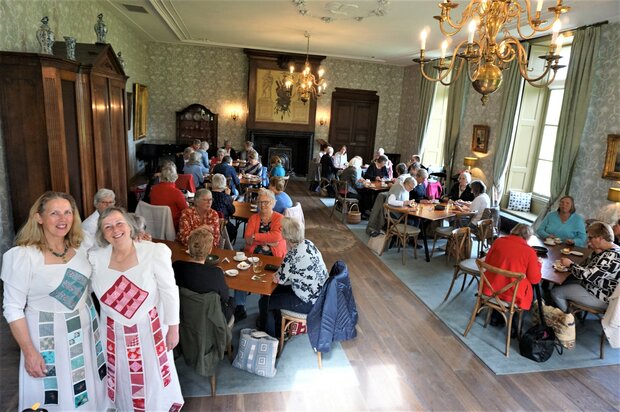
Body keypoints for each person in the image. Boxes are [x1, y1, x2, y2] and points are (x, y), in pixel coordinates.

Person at [1, 192, 108, 411]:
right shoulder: (23, 256)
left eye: (68, 212)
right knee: (55, 396)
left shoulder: (83, 246)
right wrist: (29, 352)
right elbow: (12, 309)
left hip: (86, 336)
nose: (63, 219)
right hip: (48, 339)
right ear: (39, 218)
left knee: (87, 393)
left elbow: (112, 258)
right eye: (54, 213)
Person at [89, 207, 184, 411]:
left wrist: (174, 328)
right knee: (123, 381)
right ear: (102, 233)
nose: (115, 230)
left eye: (119, 223)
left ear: (130, 226)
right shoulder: (95, 259)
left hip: (150, 332)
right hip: (114, 337)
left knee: (152, 382)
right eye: (108, 227)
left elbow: (169, 291)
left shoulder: (154, 252)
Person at [258, 217, 328, 337]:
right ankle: (278, 325)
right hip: (321, 295)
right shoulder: (308, 243)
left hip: (309, 303)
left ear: (285, 236)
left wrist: (278, 272)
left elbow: (278, 279)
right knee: (272, 293)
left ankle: (271, 337)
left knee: (265, 302)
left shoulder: (291, 256)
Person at [234, 189, 286, 320]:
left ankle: (266, 309)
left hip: (274, 257)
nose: (263, 205)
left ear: (273, 203)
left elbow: (277, 237)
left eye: (266, 202)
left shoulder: (280, 218)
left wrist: (256, 236)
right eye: (260, 202)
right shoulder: (254, 218)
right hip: (253, 254)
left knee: (268, 281)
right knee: (241, 274)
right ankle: (240, 307)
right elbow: (247, 238)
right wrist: (268, 241)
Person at [552, 221, 620, 312]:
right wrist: (595, 251)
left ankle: (569, 322)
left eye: (590, 237)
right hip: (597, 288)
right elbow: (590, 267)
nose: (588, 240)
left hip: (600, 296)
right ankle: (569, 311)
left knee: (556, 292)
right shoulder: (614, 249)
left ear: (599, 238)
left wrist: (570, 264)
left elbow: (589, 276)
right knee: (566, 282)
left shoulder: (609, 257)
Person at [173, 227, 234, 321]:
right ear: (209, 251)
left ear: (189, 248)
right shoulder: (216, 273)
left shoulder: (176, 266)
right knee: (232, 301)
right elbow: (225, 298)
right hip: (211, 318)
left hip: (183, 314)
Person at [483, 223, 542, 314]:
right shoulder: (530, 252)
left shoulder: (498, 241)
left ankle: (495, 315)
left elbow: (487, 262)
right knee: (528, 284)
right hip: (512, 296)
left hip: (490, 288)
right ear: (528, 237)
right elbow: (535, 280)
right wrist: (538, 264)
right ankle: (515, 321)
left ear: (513, 231)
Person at [211, 173, 237, 242]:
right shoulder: (226, 197)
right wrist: (228, 196)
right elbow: (232, 211)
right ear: (224, 184)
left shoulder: (207, 195)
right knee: (234, 230)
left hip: (208, 223)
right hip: (223, 227)